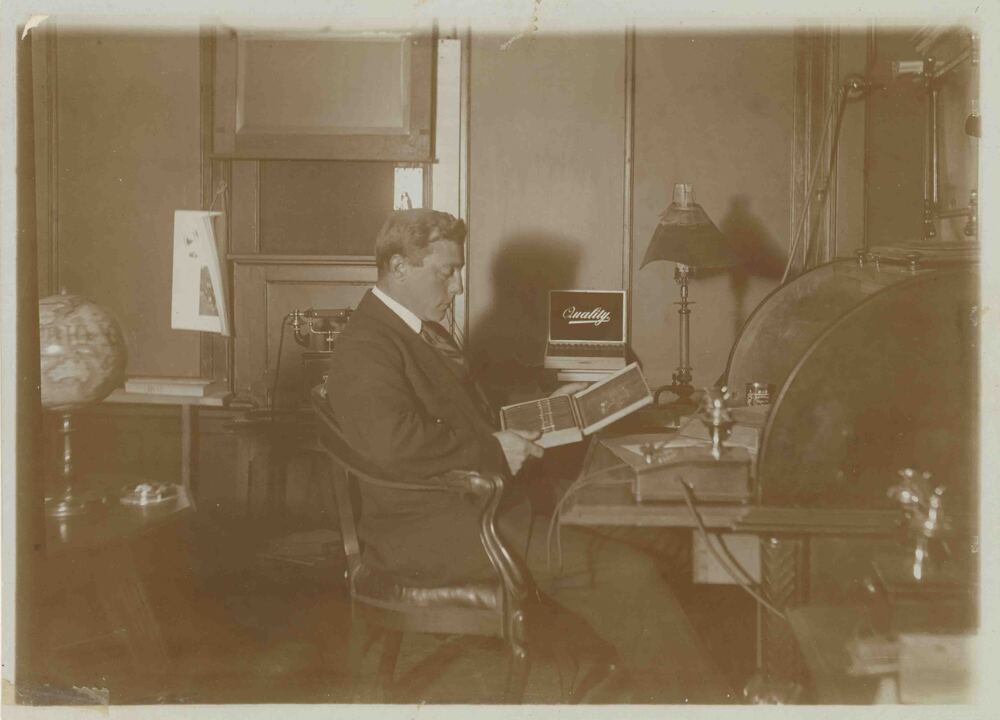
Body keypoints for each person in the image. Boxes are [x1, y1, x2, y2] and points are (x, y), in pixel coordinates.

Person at [326, 209, 723, 702]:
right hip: (438, 530)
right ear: (398, 267)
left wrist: (552, 404)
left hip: (477, 505)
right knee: (631, 574)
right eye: (447, 272)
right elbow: (392, 443)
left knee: (657, 529)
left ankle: (640, 672)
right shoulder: (367, 344)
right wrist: (495, 448)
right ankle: (701, 702)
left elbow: (457, 415)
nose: (458, 287)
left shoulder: (413, 330)